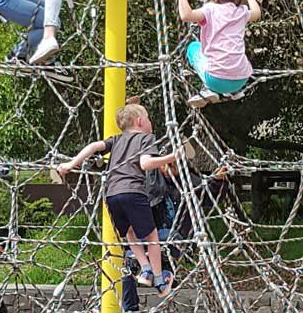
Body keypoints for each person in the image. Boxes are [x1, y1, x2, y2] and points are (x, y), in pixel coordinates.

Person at [58, 104, 176, 297]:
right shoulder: (145, 138)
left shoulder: (117, 140)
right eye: (147, 117)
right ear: (140, 121)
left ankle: (145, 269)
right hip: (134, 191)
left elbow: (94, 146)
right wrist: (170, 157)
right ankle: (159, 279)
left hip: (112, 194)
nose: (150, 122)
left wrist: (71, 164)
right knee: (152, 236)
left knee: (129, 232)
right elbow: (145, 164)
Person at [122, 158, 228, 312]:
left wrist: (218, 180)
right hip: (152, 235)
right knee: (128, 260)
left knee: (166, 240)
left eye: (173, 165)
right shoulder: (150, 183)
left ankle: (163, 275)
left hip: (174, 237)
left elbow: (209, 196)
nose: (170, 169)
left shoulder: (188, 182)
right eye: (166, 165)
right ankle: (130, 307)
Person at [175, 0, 261, 107]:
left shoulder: (210, 10)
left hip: (216, 80)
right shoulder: (241, 12)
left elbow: (186, 15)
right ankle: (230, 92)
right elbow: (257, 13)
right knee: (228, 58)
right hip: (242, 79)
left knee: (193, 48)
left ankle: (207, 89)